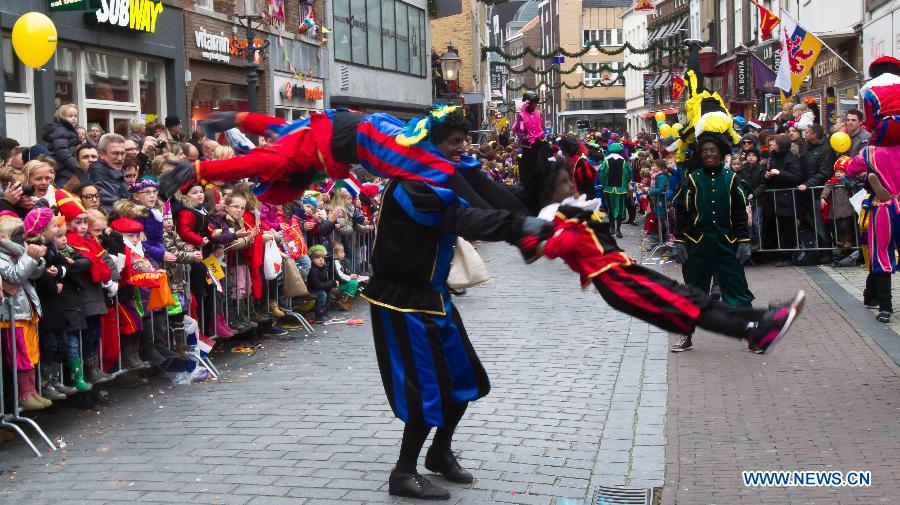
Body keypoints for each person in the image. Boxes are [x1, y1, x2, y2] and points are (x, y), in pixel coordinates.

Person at [671, 136, 755, 352]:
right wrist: (680, 241)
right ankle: (685, 335)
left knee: (738, 291)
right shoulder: (692, 179)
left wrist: (744, 240)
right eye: (705, 151)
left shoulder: (732, 179)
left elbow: (739, 212)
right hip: (698, 245)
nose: (709, 154)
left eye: (713, 151)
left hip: (727, 244)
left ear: (721, 154)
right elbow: (681, 212)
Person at [33, 208, 94, 399]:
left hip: (57, 304)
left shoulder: (51, 248)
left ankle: (55, 381)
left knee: (60, 343)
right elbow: (37, 273)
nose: (63, 236)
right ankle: (46, 383)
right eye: (55, 229)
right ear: (43, 230)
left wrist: (59, 272)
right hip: (47, 303)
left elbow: (65, 265)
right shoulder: (36, 247)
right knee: (50, 344)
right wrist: (53, 286)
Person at [0, 213, 50, 411]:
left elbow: (36, 272)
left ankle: (32, 391)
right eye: (17, 234)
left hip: (27, 312)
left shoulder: (18, 252)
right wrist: (29, 256)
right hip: (12, 315)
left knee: (32, 353)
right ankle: (24, 393)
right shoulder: (3, 255)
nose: (22, 237)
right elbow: (16, 275)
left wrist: (36, 258)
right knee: (21, 355)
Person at [597, 142, 632, 238]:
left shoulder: (606, 160)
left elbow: (603, 174)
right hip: (621, 190)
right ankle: (618, 230)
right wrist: (626, 184)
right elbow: (629, 174)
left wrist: (604, 185)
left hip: (609, 189)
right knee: (620, 209)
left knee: (610, 208)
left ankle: (612, 227)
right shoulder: (625, 161)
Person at [88, 133, 130, 212]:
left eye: (123, 153)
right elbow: (113, 208)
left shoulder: (114, 170)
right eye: (115, 153)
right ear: (101, 154)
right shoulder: (98, 173)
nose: (120, 158)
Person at [42, 104, 80, 186]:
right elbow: (62, 151)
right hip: (62, 168)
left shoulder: (68, 131)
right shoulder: (62, 130)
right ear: (62, 117)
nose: (74, 118)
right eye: (70, 116)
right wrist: (76, 166)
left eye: (75, 116)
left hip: (63, 167)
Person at [305, 244, 334, 323]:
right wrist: (332, 283)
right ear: (311, 259)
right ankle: (319, 315)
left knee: (327, 292)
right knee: (322, 294)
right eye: (317, 258)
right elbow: (317, 285)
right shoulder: (313, 270)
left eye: (322, 258)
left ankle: (325, 313)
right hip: (312, 289)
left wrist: (331, 285)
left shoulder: (323, 268)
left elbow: (324, 281)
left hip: (318, 288)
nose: (321, 260)